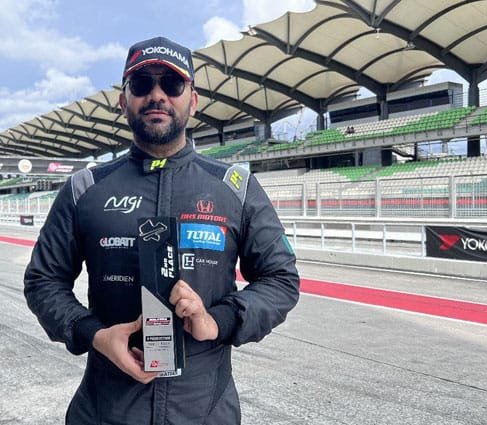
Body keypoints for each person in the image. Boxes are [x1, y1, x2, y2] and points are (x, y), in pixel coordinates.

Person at [24, 36, 300, 425]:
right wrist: (94, 335)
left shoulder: (236, 189)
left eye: (171, 84)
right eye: (141, 84)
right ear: (123, 101)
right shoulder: (84, 189)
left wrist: (217, 321)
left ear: (193, 100)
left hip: (205, 411)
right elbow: (43, 281)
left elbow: (281, 279)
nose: (157, 95)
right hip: (105, 409)